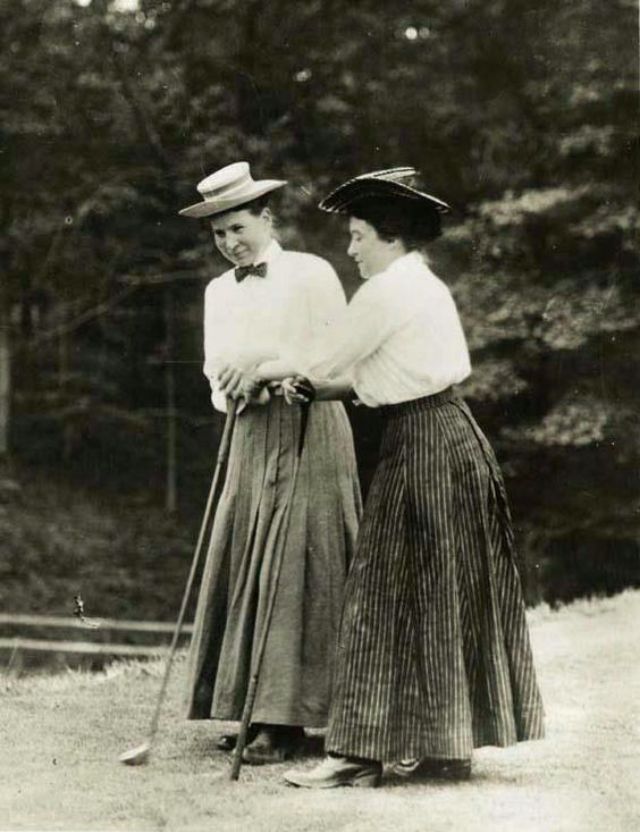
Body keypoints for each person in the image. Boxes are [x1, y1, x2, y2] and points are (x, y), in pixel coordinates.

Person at [219, 167, 544, 787]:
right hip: (448, 436)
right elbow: (363, 377)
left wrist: (261, 367)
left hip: (424, 446)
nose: (351, 249)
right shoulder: (422, 285)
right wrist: (308, 382)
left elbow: (324, 360)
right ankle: (446, 748)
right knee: (439, 591)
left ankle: (356, 755)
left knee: (379, 591)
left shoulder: (389, 291)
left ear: (390, 237)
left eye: (360, 235)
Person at [178, 161, 361, 765]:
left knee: (296, 558)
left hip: (309, 424)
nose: (230, 243)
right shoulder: (217, 291)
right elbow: (215, 371)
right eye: (218, 234)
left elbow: (339, 351)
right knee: (247, 552)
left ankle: (291, 721)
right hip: (251, 430)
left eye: (238, 227)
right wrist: (234, 382)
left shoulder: (310, 273)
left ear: (265, 216)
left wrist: (266, 363)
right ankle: (253, 708)